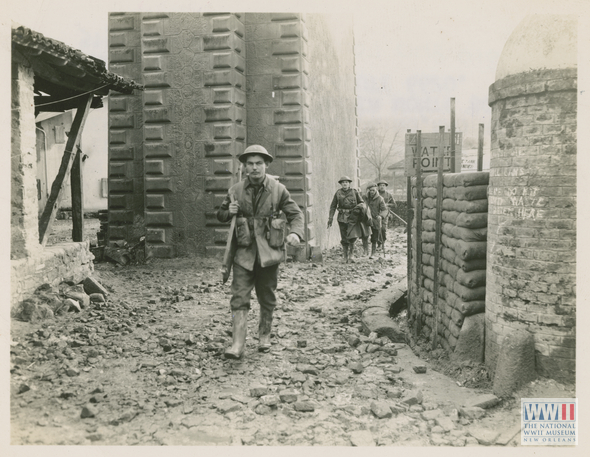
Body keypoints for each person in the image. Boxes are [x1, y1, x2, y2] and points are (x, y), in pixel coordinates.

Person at [217, 145, 304, 359]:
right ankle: (237, 344)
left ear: (266, 165)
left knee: (267, 296)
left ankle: (264, 335)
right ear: (245, 167)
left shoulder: (278, 189)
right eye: (250, 164)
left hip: (269, 254)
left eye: (258, 163)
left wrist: (296, 234)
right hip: (243, 253)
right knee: (239, 295)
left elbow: (296, 215)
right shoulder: (235, 190)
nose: (254, 168)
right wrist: (228, 212)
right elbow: (220, 214)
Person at [328, 176, 363, 262]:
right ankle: (345, 256)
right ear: (341, 184)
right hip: (342, 217)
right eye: (343, 182)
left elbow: (361, 203)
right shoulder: (338, 193)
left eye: (346, 182)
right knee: (344, 236)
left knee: (352, 236)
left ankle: (351, 255)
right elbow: (333, 206)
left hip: (352, 217)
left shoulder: (354, 192)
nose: (344, 184)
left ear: (349, 183)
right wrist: (330, 218)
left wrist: (357, 210)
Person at [364, 182, 388, 259]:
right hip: (366, 219)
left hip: (375, 220)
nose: (371, 192)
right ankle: (365, 251)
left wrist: (381, 216)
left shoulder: (380, 199)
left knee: (374, 237)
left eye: (373, 190)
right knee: (365, 235)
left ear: (376, 190)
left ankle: (373, 253)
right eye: (370, 190)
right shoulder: (364, 198)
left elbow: (384, 210)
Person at [377, 180, 397, 253]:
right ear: (378, 187)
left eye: (383, 185)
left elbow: (394, 205)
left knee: (383, 229)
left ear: (385, 187)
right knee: (377, 229)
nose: (382, 187)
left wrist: (387, 205)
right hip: (376, 214)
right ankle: (378, 244)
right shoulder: (376, 194)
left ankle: (382, 243)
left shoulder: (389, 195)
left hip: (385, 214)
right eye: (380, 185)